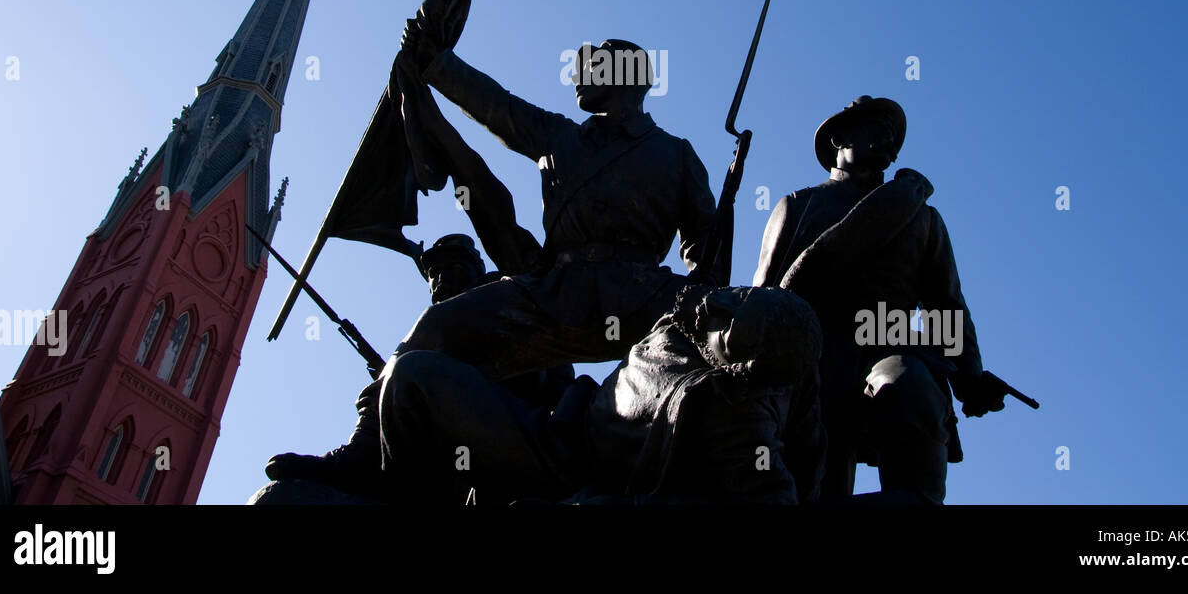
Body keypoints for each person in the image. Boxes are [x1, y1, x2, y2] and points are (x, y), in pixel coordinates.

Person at [388, 30, 718, 383]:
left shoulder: (676, 154)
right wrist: (435, 62)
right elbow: (497, 105)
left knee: (739, 328)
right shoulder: (558, 136)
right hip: (552, 295)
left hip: (645, 295)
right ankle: (367, 431)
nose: (579, 75)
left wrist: (704, 306)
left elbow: (708, 250)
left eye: (595, 65)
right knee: (430, 331)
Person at [753, 96, 1004, 504]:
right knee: (811, 481)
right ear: (840, 137)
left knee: (910, 385)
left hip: (887, 347)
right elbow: (763, 298)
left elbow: (947, 308)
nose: (889, 143)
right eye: (877, 131)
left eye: (894, 138)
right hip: (812, 354)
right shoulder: (797, 205)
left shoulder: (921, 216)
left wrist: (970, 377)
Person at [378, 285, 825, 505]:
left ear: (743, 367)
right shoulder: (688, 311)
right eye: (739, 297)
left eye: (731, 332)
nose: (719, 309)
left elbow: (772, 496)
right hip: (554, 430)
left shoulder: (736, 413)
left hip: (576, 476)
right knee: (413, 376)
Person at [263, 234, 573, 499]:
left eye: (452, 267)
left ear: (475, 269)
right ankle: (365, 452)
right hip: (460, 445)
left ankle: (360, 455)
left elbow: (533, 379)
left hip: (525, 434)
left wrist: (410, 381)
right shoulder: (440, 332)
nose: (441, 279)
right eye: (434, 274)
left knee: (410, 368)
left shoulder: (495, 293)